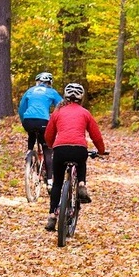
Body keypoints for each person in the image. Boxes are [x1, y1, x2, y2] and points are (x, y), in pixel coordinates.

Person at [43, 82, 106, 231]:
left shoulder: (57, 112)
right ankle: (82, 184)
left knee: (58, 183)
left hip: (60, 149)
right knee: (81, 161)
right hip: (79, 149)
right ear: (81, 98)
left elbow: (49, 135)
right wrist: (101, 151)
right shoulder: (85, 113)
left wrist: (52, 146)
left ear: (65, 96)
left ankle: (52, 215)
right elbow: (96, 136)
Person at [18, 72, 64, 183]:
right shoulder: (51, 92)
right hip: (43, 121)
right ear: (50, 82)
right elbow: (63, 106)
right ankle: (49, 181)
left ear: (37, 82)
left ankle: (29, 151)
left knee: (32, 133)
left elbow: (21, 109)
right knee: (47, 150)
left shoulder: (29, 91)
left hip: (28, 121)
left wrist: (24, 120)